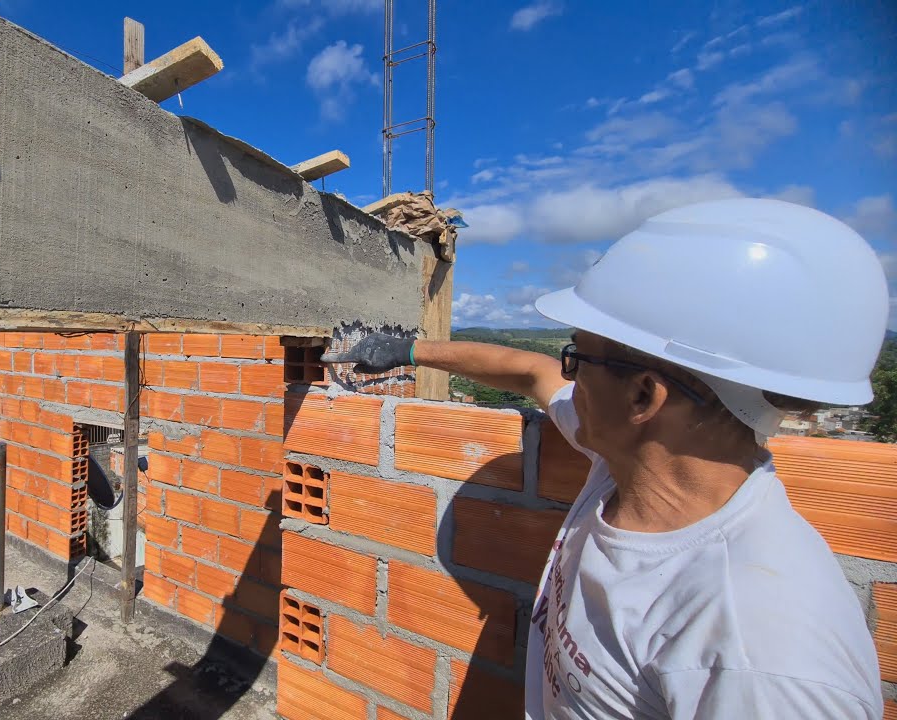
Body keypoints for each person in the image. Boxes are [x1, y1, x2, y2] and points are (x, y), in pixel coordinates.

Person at [323, 198, 886, 719]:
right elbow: (530, 370)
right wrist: (408, 350)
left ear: (644, 397)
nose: (567, 374)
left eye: (578, 359)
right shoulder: (626, 461)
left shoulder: (760, 654)